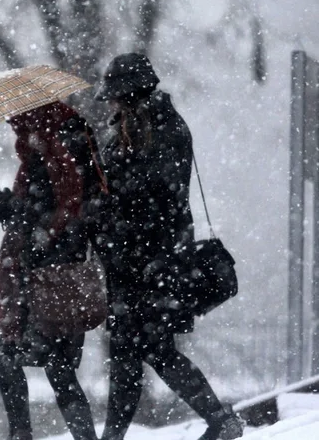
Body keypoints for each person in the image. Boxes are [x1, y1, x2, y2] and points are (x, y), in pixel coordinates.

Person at [90, 53, 244, 440]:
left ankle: (221, 421)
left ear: (130, 94)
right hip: (128, 264)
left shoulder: (166, 130)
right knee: (130, 354)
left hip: (154, 262)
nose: (110, 104)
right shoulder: (126, 132)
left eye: (116, 97)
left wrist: (113, 200)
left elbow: (164, 198)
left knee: (151, 350)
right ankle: (215, 421)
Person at [0, 101, 103, 440]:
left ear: (32, 117)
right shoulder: (47, 152)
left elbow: (63, 214)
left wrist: (24, 219)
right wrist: (8, 211)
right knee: (55, 367)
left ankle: (21, 434)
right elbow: (43, 213)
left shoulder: (57, 151)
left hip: (52, 281)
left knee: (15, 357)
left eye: (17, 121)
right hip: (52, 278)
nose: (14, 129)